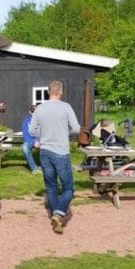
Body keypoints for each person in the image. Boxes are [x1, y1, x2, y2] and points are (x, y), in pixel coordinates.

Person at [28, 80, 80, 234]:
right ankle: (59, 214)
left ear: (48, 92)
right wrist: (64, 132)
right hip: (61, 151)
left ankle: (55, 216)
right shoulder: (66, 107)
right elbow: (76, 129)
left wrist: (43, 135)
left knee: (51, 187)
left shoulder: (39, 108)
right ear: (61, 92)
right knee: (68, 188)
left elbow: (32, 131)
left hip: (45, 151)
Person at [21, 105, 41, 175]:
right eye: (33, 111)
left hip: (41, 140)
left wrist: (39, 141)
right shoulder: (26, 121)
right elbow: (25, 135)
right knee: (24, 147)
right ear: (30, 112)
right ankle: (34, 168)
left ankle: (46, 167)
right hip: (30, 141)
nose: (34, 113)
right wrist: (34, 141)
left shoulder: (42, 120)